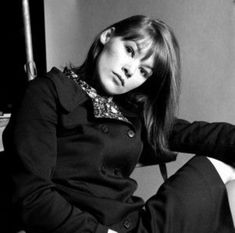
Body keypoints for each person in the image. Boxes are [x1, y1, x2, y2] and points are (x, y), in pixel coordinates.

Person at [3, 15, 235, 233]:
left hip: (136, 224)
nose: (130, 70)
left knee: (222, 164)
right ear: (107, 36)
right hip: (91, 229)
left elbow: (196, 134)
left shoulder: (130, 110)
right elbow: (32, 195)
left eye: (144, 71)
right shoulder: (47, 92)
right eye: (130, 50)